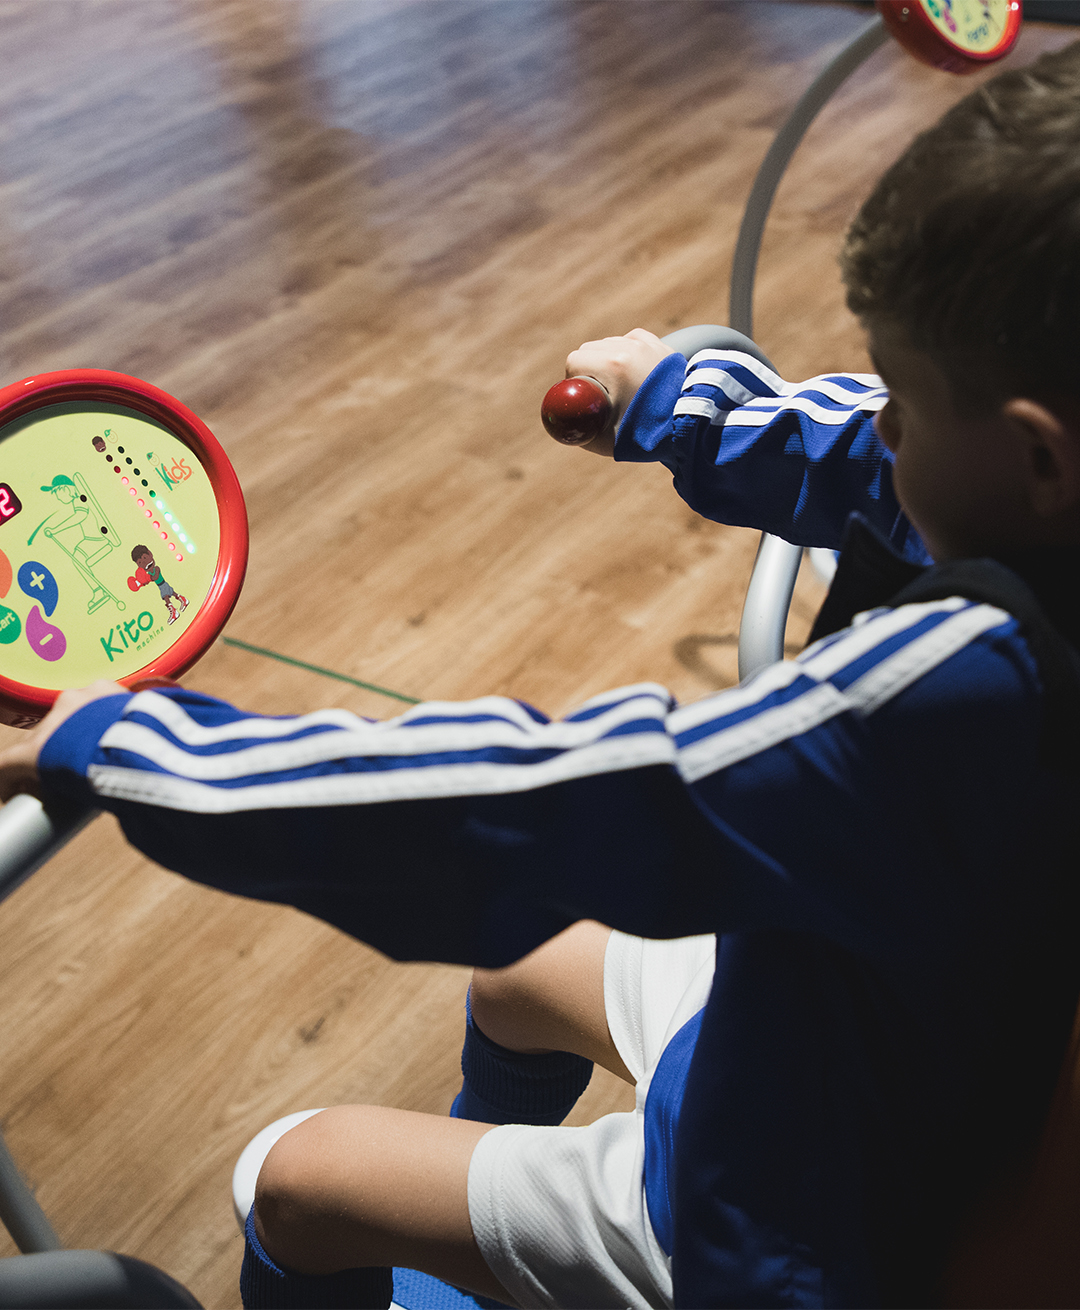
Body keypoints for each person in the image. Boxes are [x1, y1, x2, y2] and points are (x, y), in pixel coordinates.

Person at [4, 39, 1080, 1310]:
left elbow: (549, 804)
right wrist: (678, 399)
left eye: (903, 395)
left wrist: (136, 749)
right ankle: (491, 1248)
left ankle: (535, 1248)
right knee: (519, 975)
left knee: (293, 1176)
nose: (880, 420)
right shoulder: (1047, 535)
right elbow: (868, 456)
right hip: (876, 1031)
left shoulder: (962, 696)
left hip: (787, 1213)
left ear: (1038, 459)